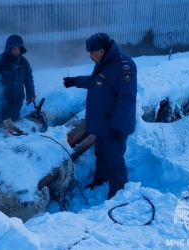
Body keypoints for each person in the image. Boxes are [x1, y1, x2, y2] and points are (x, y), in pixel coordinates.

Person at [63, 33, 137, 199]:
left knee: (115, 161)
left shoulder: (124, 66)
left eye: (92, 52)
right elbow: (97, 81)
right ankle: (100, 181)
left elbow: (127, 99)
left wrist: (118, 127)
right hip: (103, 124)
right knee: (101, 155)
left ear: (102, 51)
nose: (89, 55)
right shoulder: (105, 62)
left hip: (115, 126)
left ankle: (118, 196)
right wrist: (75, 81)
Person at [0, 34, 35, 122]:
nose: (16, 51)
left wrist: (30, 93)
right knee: (1, 124)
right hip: (3, 101)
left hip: (17, 100)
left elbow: (28, 79)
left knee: (15, 123)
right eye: (14, 48)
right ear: (9, 48)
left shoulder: (23, 62)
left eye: (18, 49)